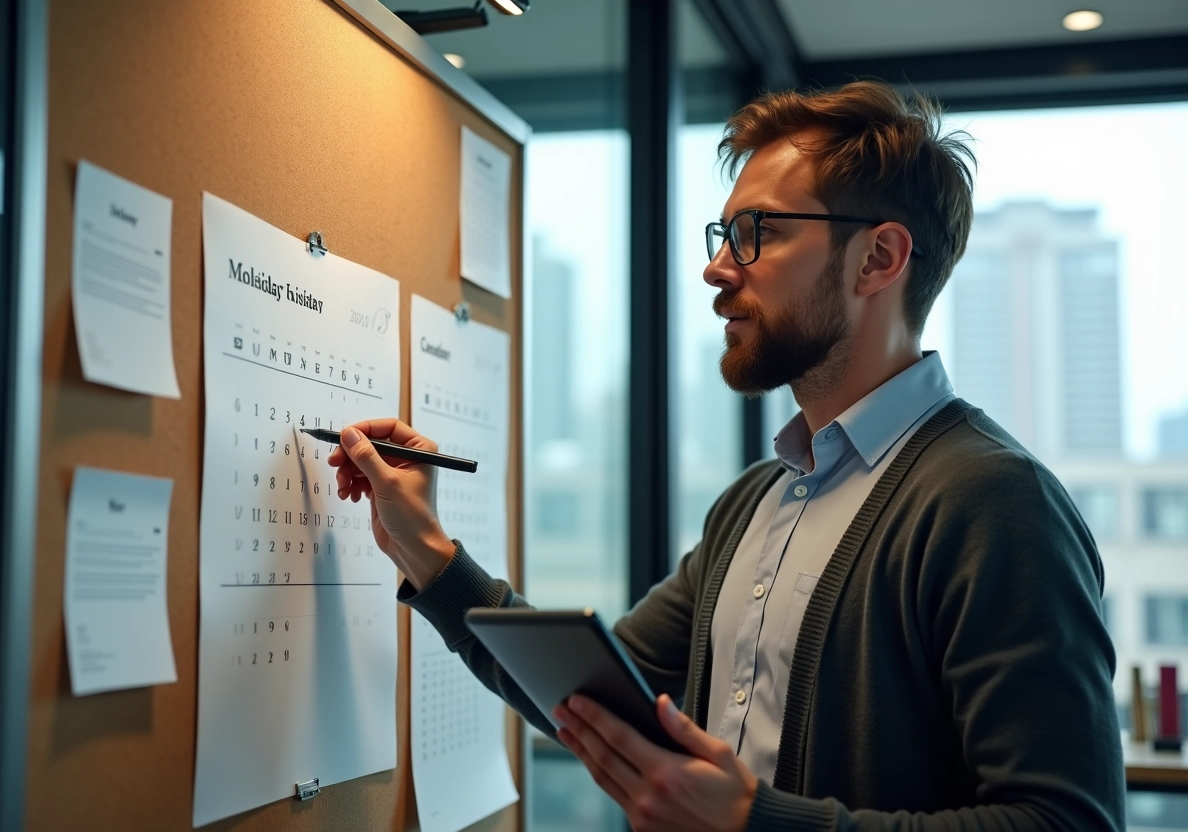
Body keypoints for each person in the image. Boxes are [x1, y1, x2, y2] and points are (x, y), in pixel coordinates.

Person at [328, 80, 1125, 831]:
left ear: (879, 259)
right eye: (724, 235)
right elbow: (599, 699)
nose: (715, 268)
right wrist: (425, 549)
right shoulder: (753, 502)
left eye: (758, 233)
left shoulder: (995, 501)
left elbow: (1067, 819)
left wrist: (754, 822)